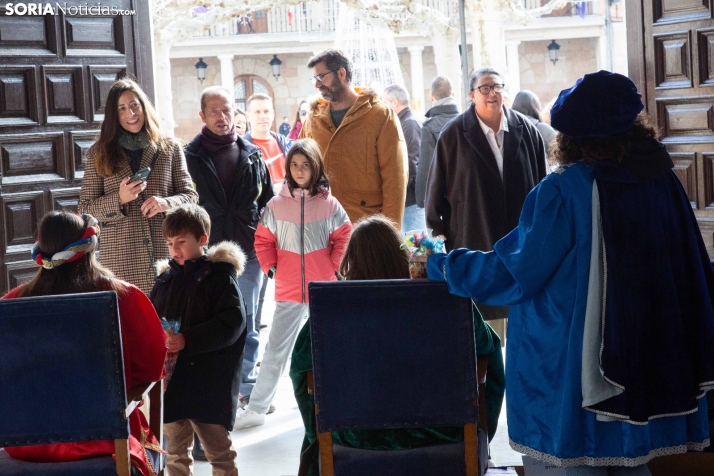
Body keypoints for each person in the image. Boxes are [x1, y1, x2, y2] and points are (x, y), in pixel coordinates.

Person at [426, 71, 714, 475]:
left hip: (575, 367)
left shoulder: (564, 189)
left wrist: (440, 264)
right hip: (646, 354)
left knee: (575, 465)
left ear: (571, 135)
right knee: (632, 464)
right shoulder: (661, 181)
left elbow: (514, 271)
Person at [290, 214, 505, 476]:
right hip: (446, 441)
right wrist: (483, 432)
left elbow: (302, 374)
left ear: (350, 261)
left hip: (350, 445)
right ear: (402, 253)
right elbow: (490, 359)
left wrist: (318, 435)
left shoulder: (330, 311)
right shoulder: (446, 299)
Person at [2, 211, 166, 476]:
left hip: (27, 446)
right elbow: (151, 367)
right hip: (104, 442)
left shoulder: (10, 305)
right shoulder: (123, 296)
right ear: (89, 248)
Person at [235, 138, 352, 429]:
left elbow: (345, 235)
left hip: (323, 288)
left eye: (306, 165)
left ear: (316, 167)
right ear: (288, 168)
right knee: (275, 349)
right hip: (288, 289)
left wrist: (333, 266)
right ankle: (258, 408)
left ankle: (338, 400)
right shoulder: (275, 205)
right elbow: (263, 240)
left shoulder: (329, 204)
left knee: (330, 345)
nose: (300, 170)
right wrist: (271, 268)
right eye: (295, 165)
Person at [424, 67, 547, 330]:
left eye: (498, 87)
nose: (492, 94)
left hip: (519, 242)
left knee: (522, 319)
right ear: (471, 95)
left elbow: (541, 185)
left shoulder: (526, 130)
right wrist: (437, 232)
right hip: (474, 237)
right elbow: (435, 190)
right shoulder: (453, 134)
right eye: (485, 88)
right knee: (482, 328)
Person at [183, 86, 274, 413]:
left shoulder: (253, 153)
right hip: (208, 254)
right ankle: (216, 388)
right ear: (202, 116)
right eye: (215, 113)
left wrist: (268, 243)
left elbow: (268, 204)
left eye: (227, 111)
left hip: (248, 251)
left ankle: (245, 387)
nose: (223, 118)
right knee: (211, 322)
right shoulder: (188, 157)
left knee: (247, 320)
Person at [150, 203, 246, 476]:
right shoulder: (165, 279)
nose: (174, 249)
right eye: (170, 243)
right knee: (175, 455)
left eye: (181, 241)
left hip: (208, 382)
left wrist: (188, 339)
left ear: (203, 240)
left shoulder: (220, 279)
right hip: (172, 381)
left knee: (220, 453)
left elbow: (232, 323)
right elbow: (152, 317)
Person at [78, 78, 198, 294]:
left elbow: (190, 196)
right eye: (122, 109)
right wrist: (119, 199)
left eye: (135, 105)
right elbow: (85, 209)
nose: (131, 114)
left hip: (167, 254)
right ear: (114, 116)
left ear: (144, 107)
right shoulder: (99, 152)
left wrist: (166, 203)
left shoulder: (169, 147)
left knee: (169, 324)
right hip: (121, 260)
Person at [300, 49, 408, 226]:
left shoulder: (380, 116)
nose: (317, 85)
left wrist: (390, 233)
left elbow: (394, 179)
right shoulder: (313, 120)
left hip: (365, 227)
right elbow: (298, 169)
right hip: (320, 226)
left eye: (321, 77)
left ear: (341, 73)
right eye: (315, 79)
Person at [383, 84, 424, 233]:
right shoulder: (404, 121)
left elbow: (410, 164)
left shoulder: (409, 123)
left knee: (416, 249)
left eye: (384, 102)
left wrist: (398, 190)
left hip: (411, 201)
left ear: (394, 102)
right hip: (408, 199)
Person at [415, 76, 460, 209]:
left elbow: (426, 167)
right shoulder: (469, 121)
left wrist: (422, 200)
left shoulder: (429, 127)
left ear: (431, 97)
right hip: (469, 194)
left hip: (444, 198)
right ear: (453, 94)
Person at [244, 93, 293, 185]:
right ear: (247, 116)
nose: (262, 116)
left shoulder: (287, 144)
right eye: (257, 112)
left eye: (266, 111)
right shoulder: (241, 149)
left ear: (273, 114)